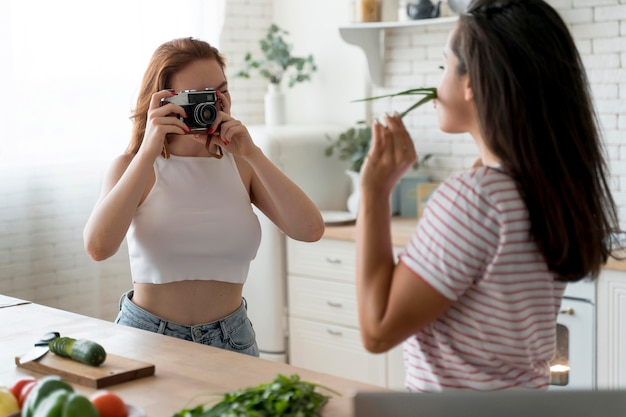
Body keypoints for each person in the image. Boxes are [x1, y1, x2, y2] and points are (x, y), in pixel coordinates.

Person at [355, 0, 620, 391]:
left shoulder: (475, 199)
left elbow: (376, 330)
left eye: (443, 66)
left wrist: (374, 192)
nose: (437, 83)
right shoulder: (550, 185)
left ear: (470, 84)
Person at [83, 37, 324, 356]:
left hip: (231, 339)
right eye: (198, 96)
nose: (213, 104)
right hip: (148, 337)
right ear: (162, 101)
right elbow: (98, 247)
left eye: (220, 91)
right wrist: (147, 152)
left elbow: (310, 230)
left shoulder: (243, 165)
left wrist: (252, 153)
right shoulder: (134, 167)